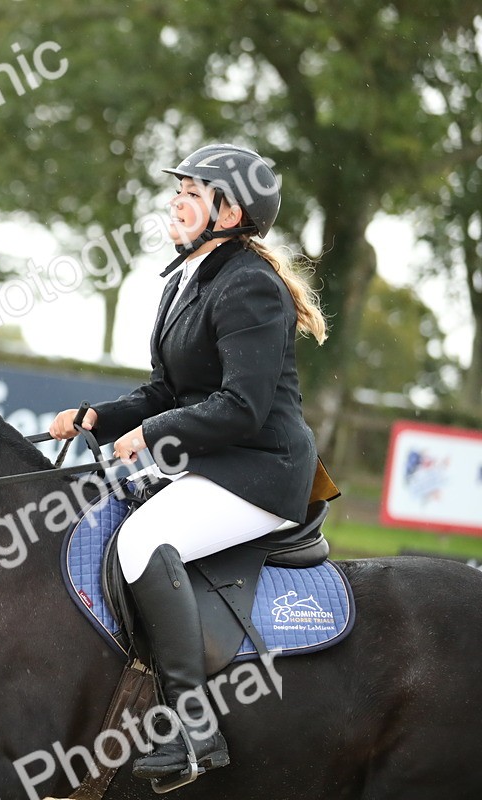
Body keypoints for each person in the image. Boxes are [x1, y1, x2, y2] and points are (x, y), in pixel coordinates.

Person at [49, 143, 327, 782]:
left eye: (194, 194)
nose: (177, 202)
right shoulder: (187, 280)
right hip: (211, 464)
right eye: (180, 190)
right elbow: (165, 391)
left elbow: (243, 408)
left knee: (143, 541)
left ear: (228, 215)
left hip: (259, 471)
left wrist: (152, 432)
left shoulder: (251, 285)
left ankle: (194, 731)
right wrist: (101, 418)